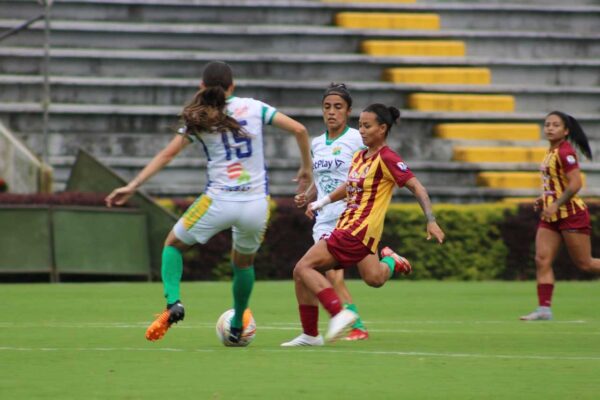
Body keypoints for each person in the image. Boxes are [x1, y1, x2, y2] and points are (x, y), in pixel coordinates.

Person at [105, 61, 312, 344]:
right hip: (255, 204)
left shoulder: (200, 117)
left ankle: (173, 303)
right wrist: (306, 170)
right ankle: (238, 324)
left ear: (202, 87)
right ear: (232, 86)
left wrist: (133, 185)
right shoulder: (255, 107)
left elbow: (167, 155)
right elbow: (300, 130)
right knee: (243, 264)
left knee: (173, 246)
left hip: (217, 201)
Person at [285, 103, 445, 343]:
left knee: (303, 268)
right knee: (374, 278)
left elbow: (417, 186)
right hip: (352, 229)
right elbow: (349, 187)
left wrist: (431, 220)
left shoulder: (388, 158)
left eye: (367, 126)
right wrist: (321, 202)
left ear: (382, 128)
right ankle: (392, 260)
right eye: (360, 125)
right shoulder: (360, 156)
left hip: (355, 231)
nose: (361, 130)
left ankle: (339, 314)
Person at [283, 83, 369, 346]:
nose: (332, 112)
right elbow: (321, 180)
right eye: (327, 107)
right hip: (324, 220)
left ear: (348, 111)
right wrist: (308, 196)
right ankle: (315, 333)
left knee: (370, 277)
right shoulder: (317, 143)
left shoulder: (357, 139)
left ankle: (344, 319)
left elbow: (365, 176)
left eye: (338, 107)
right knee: (311, 272)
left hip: (350, 218)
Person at [520, 111, 600, 321]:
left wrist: (555, 203)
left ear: (565, 131)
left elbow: (576, 183)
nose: (550, 128)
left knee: (586, 264)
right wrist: (544, 198)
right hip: (552, 215)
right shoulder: (551, 151)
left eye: (555, 125)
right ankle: (544, 310)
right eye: (547, 124)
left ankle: (544, 309)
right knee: (541, 259)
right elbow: (556, 183)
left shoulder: (565, 152)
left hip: (571, 214)